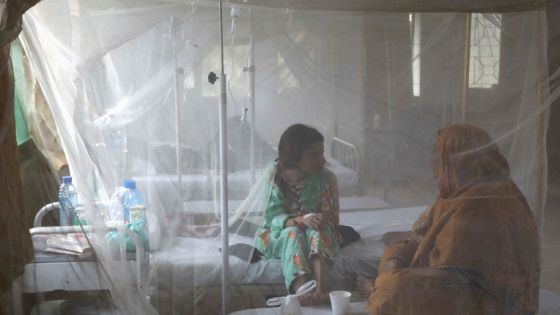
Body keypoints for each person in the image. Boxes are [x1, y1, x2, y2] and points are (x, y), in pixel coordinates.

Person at [367, 124, 540, 315]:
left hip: (489, 298)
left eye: (436, 152)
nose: (431, 159)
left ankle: (377, 291)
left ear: (460, 159)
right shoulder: (459, 191)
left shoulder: (481, 206)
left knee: (393, 288)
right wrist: (396, 261)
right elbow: (421, 236)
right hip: (458, 281)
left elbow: (457, 276)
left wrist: (398, 275)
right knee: (393, 253)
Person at [254, 124, 341, 305]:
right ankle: (303, 291)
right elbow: (272, 219)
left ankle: (322, 290)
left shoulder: (327, 179)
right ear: (295, 157)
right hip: (278, 232)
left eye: (322, 153)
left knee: (318, 232)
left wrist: (322, 220)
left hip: (316, 231)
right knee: (292, 234)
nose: (322, 160)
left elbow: (332, 218)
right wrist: (299, 220)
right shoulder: (274, 176)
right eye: (314, 155)